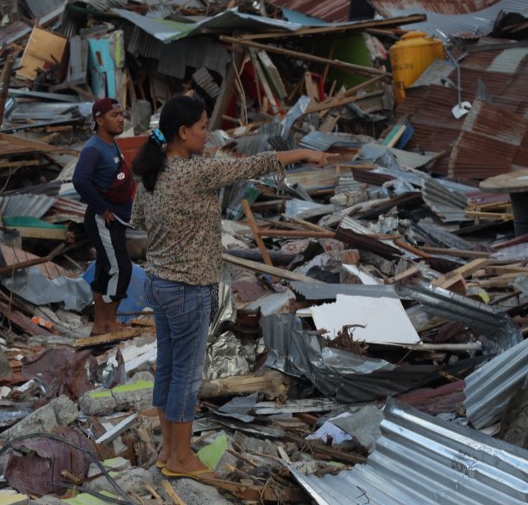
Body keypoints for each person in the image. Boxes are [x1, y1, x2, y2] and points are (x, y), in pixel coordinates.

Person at [131, 95, 335, 479]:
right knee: (188, 375)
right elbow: (253, 164)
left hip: (158, 284)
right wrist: (303, 155)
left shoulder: (151, 175)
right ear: (183, 132)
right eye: (204, 127)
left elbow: (138, 218)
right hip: (187, 288)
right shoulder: (194, 173)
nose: (208, 134)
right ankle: (181, 459)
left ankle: (167, 449)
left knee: (169, 367)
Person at [73, 98, 135, 335]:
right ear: (99, 120)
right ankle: (109, 323)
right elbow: (80, 180)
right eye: (114, 115)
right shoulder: (94, 148)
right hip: (103, 220)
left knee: (106, 267)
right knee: (120, 269)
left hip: (114, 219)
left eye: (121, 114)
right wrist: (102, 208)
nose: (120, 119)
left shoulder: (111, 144)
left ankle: (101, 325)